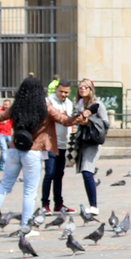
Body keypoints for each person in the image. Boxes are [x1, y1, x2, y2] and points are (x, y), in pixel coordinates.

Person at [0, 76, 91, 235]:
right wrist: (81, 117)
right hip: (33, 152)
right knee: (29, 192)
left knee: (4, 186)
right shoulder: (45, 107)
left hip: (13, 150)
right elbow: (65, 120)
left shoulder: (17, 106)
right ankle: (26, 227)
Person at [72, 79, 108, 216]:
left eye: (85, 87)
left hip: (93, 142)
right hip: (82, 142)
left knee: (87, 171)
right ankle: (92, 205)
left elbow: (105, 123)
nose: (82, 89)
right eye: (80, 87)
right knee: (85, 172)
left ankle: (94, 206)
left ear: (91, 89)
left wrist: (89, 122)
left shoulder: (98, 105)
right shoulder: (79, 104)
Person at [43, 80, 74, 213]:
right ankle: (45, 204)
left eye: (66, 92)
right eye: (61, 91)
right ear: (56, 89)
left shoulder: (69, 103)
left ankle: (59, 204)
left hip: (63, 143)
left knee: (59, 174)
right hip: (50, 143)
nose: (63, 94)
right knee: (49, 174)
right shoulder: (48, 101)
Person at [0, 100, 13, 171]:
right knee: (4, 149)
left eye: (7, 105)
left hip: (9, 134)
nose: (5, 106)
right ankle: (7, 165)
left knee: (11, 150)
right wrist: (0, 122)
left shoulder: (11, 113)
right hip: (0, 133)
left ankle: (1, 163)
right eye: (4, 104)